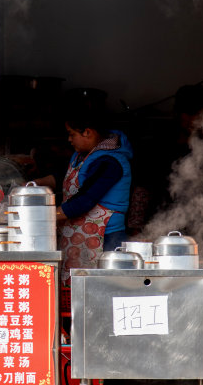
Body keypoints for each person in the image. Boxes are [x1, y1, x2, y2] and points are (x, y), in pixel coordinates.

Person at [35, 105, 133, 287]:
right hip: (79, 237)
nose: (69, 139)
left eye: (72, 134)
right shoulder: (84, 155)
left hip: (106, 240)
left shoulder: (110, 161)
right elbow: (63, 178)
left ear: (87, 132)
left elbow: (84, 201)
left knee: (101, 289)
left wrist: (41, 219)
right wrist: (37, 183)